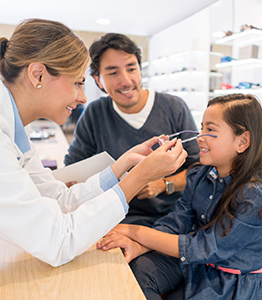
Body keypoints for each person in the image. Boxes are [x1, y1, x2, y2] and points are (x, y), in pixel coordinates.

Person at [0, 18, 188, 267]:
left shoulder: (14, 129)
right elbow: (57, 241)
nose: (83, 98)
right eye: (77, 83)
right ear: (37, 74)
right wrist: (137, 177)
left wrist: (124, 164)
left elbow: (60, 201)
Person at [97, 94, 262, 300]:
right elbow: (176, 223)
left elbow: (204, 248)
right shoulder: (199, 176)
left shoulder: (255, 195)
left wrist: (135, 232)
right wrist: (139, 246)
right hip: (201, 267)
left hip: (233, 286)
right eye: (201, 128)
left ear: (242, 141)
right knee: (141, 268)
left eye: (210, 130)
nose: (199, 137)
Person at [64, 33, 200, 227]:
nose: (126, 80)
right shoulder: (95, 113)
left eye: (131, 68)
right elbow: (75, 169)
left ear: (140, 70)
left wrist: (162, 185)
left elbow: (199, 169)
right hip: (113, 217)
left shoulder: (174, 108)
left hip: (170, 218)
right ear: (98, 80)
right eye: (113, 73)